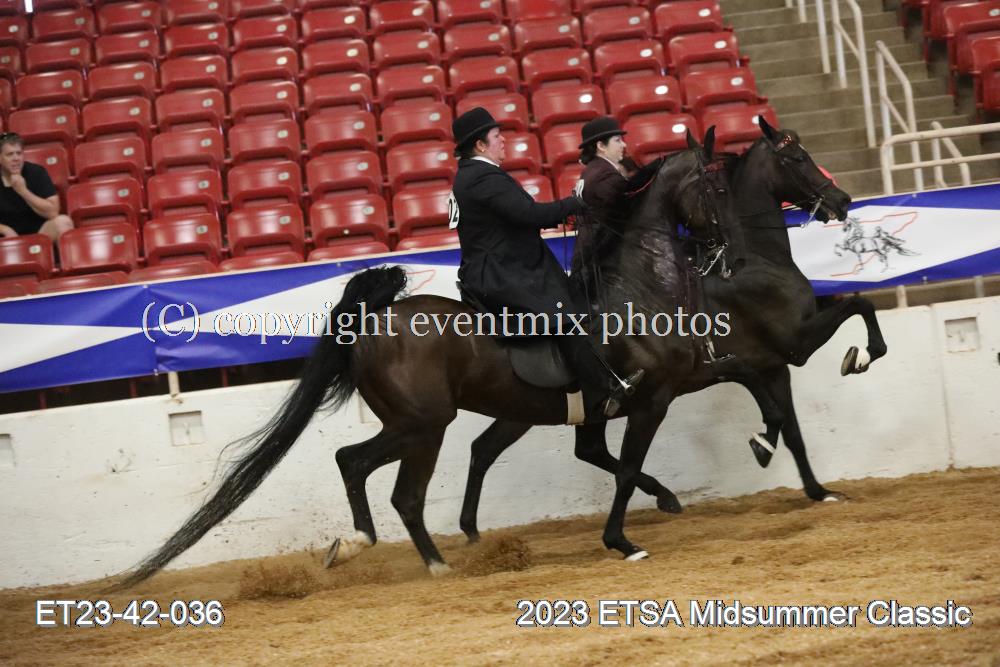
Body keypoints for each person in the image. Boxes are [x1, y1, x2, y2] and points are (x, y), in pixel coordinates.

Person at [449, 107, 644, 420]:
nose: (503, 141)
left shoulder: (472, 175)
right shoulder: (482, 177)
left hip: (501, 267)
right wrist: (575, 203)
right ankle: (605, 388)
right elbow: (529, 215)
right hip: (501, 273)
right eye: (497, 137)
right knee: (564, 313)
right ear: (480, 145)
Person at [572, 117, 663, 288]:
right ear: (601, 146)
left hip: (591, 259)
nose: (624, 145)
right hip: (603, 266)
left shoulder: (592, 171)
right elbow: (629, 211)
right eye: (617, 140)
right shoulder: (604, 175)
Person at [0, 133, 73, 241]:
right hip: (5, 237)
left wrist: (23, 191)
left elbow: (53, 212)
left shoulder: (36, 172)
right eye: (10, 154)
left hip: (38, 232)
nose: (16, 158)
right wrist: (4, 229)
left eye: (19, 153)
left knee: (63, 222)